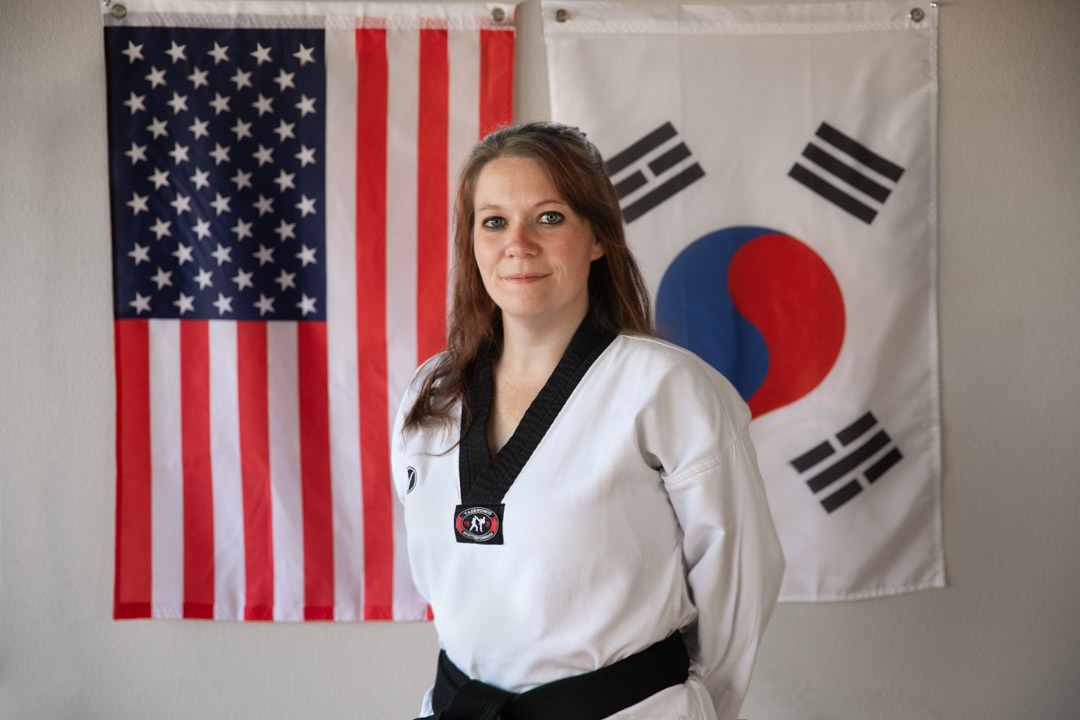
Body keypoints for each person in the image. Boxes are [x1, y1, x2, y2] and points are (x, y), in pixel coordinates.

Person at [391, 121, 784, 720]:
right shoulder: (432, 393)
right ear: (471, 241)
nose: (518, 243)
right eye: (493, 221)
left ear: (598, 237)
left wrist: (699, 708)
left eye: (548, 217)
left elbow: (740, 584)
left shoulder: (666, 388)